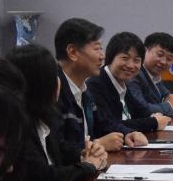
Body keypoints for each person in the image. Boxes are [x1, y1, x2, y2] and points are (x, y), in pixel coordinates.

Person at [0, 44, 107, 181]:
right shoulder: (17, 126)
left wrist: (85, 152)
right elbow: (42, 178)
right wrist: (87, 166)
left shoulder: (42, 118)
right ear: (44, 85)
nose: (59, 81)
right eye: (55, 76)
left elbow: (60, 148)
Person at [55, 17, 145, 151]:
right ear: (73, 52)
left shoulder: (83, 90)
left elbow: (104, 124)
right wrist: (97, 144)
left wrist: (128, 133)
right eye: (97, 49)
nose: (102, 56)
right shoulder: (53, 90)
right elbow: (55, 149)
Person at [87, 32, 171, 138]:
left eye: (136, 60)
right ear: (110, 57)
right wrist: (153, 122)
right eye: (125, 58)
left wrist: (153, 117)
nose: (131, 65)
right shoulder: (96, 84)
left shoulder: (123, 82)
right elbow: (109, 125)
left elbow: (141, 112)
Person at [127, 31, 173, 116]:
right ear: (144, 51)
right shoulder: (134, 74)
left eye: (169, 59)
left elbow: (171, 98)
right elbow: (142, 109)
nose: (163, 62)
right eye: (160, 55)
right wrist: (170, 105)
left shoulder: (154, 76)